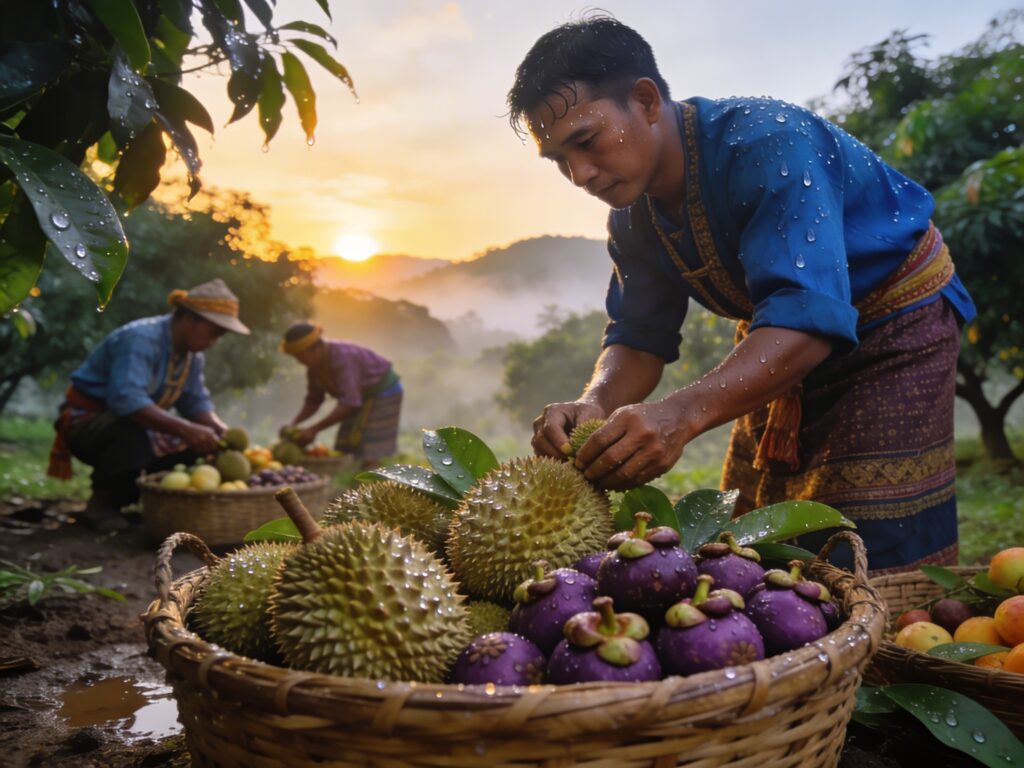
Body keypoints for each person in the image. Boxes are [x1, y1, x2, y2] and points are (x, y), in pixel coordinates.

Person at [508, 15, 976, 574]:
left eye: (586, 141)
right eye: (558, 159)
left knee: (863, 538)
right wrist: (595, 404)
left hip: (893, 327)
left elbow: (804, 317)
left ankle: (890, 652)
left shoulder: (768, 143)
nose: (579, 173)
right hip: (776, 341)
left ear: (646, 99)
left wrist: (679, 415)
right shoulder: (631, 217)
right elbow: (638, 337)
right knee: (754, 539)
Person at [47, 278, 250, 529]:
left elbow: (196, 402)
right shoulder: (140, 339)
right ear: (189, 319)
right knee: (132, 432)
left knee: (198, 445)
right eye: (214, 332)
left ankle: (136, 499)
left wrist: (221, 432)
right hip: (86, 422)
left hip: (132, 422)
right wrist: (186, 429)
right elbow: (126, 400)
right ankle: (99, 507)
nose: (215, 341)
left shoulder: (192, 358)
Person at [278, 323, 402, 470]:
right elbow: (314, 400)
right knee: (346, 443)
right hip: (358, 397)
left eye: (300, 356)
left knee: (370, 446)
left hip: (384, 392)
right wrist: (294, 423)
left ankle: (372, 479)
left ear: (315, 350)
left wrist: (313, 429)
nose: (299, 361)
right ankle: (350, 478)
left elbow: (349, 403)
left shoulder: (343, 358)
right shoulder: (314, 368)